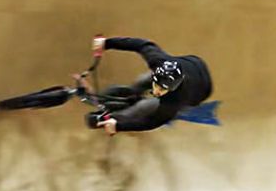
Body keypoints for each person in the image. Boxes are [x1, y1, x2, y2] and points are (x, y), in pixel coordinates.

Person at [84, 36, 213, 135]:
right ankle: (132, 95)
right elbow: (141, 44)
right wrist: (107, 43)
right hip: (195, 63)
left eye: (162, 90)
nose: (156, 91)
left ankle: (112, 118)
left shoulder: (175, 100)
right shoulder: (159, 61)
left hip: (201, 90)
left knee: (143, 108)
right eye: (156, 85)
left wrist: (118, 126)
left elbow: (152, 122)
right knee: (141, 82)